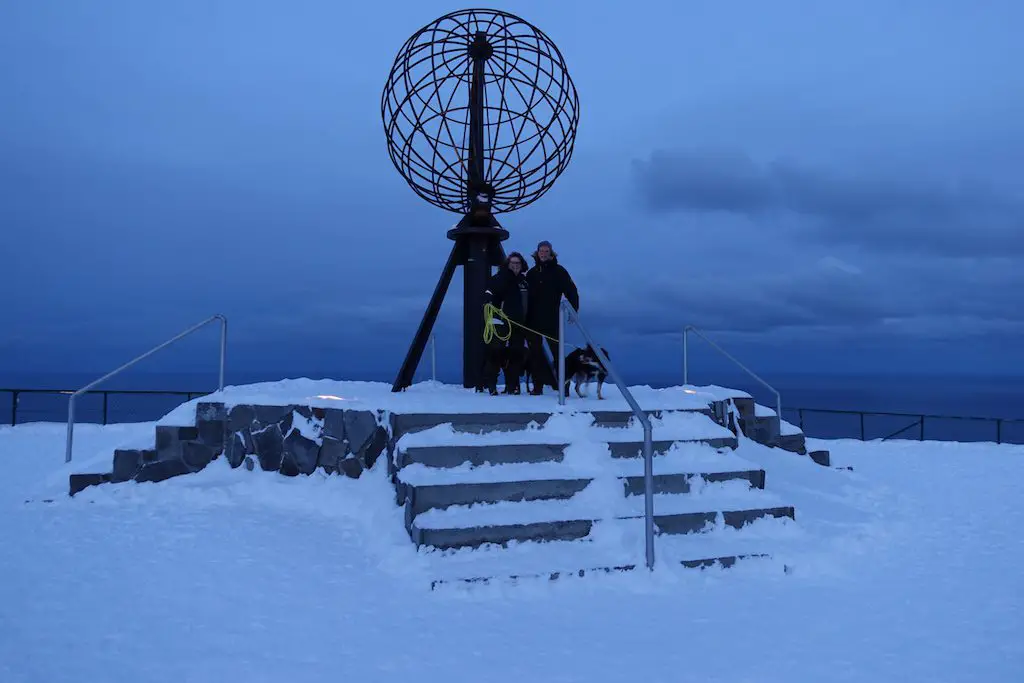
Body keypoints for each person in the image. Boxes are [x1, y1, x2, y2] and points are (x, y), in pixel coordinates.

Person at [524, 240, 579, 395]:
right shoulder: (532, 273)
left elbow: (571, 291)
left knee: (557, 355)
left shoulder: (559, 271)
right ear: (537, 253)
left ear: (551, 253)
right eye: (541, 251)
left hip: (552, 320)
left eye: (546, 251)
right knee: (535, 355)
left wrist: (573, 310)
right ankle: (538, 386)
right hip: (532, 320)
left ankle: (564, 386)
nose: (543, 254)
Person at [481, 251, 529, 395]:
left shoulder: (524, 282)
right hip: (500, 322)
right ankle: (491, 385)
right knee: (496, 353)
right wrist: (488, 302)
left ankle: (512, 385)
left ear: (522, 265)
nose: (515, 266)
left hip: (519, 323)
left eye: (518, 263)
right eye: (513, 263)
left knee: (516, 354)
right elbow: (488, 293)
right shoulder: (498, 278)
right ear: (508, 264)